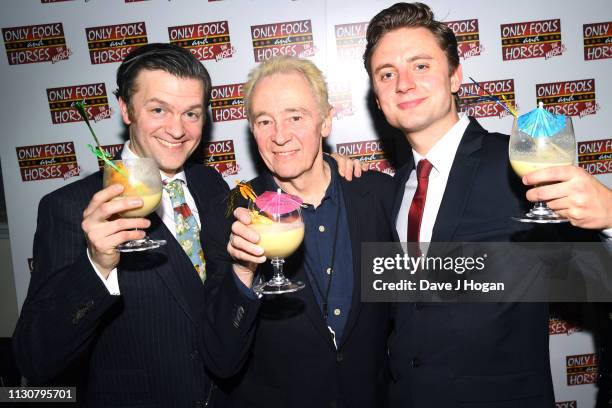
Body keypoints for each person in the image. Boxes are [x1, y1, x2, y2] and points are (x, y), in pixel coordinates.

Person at [359, 2, 610, 407]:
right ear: (378, 95)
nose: (403, 82)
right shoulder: (396, 188)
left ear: (456, 75)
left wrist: (611, 218)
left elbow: (601, 278)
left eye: (421, 66)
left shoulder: (517, 166)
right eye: (387, 74)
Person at [12, 43, 231, 407]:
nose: (177, 129)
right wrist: (96, 266)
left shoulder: (211, 184)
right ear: (126, 110)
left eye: (191, 114)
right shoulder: (70, 208)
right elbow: (35, 358)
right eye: (158, 109)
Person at [202, 56, 395, 408]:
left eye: (295, 117)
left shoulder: (379, 197)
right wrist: (243, 272)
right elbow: (221, 360)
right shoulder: (230, 214)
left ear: (325, 121)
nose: (279, 136)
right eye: (264, 121)